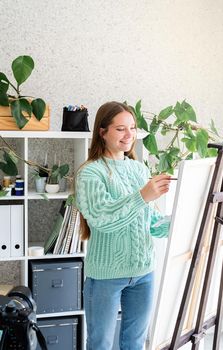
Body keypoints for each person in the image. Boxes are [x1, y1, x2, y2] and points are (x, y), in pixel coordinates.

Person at [76, 101, 172, 350]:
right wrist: (142, 196)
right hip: (106, 275)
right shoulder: (91, 173)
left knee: (135, 343)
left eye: (132, 127)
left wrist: (183, 220)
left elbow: (150, 224)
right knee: (100, 343)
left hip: (144, 272)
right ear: (102, 132)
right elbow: (101, 219)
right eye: (120, 129)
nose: (129, 135)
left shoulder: (139, 169)